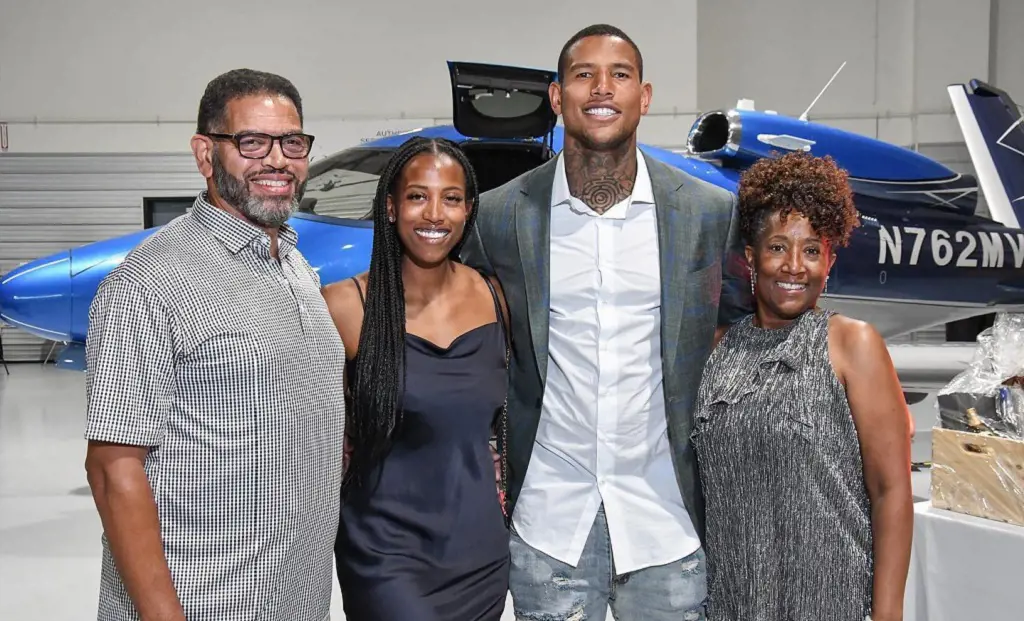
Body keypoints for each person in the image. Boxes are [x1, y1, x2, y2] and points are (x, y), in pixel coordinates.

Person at [460, 24, 752, 620]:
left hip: (668, 522)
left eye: (619, 75)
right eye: (582, 74)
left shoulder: (708, 214)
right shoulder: (499, 216)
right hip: (549, 525)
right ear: (557, 96)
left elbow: (746, 337)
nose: (601, 88)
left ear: (644, 97)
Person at [83, 69, 346, 621]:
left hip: (296, 600)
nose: (277, 160)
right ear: (206, 153)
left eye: (292, 142)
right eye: (252, 142)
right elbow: (113, 470)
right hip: (203, 602)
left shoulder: (293, 266)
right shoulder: (151, 282)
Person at [692, 152, 914, 621]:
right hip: (733, 604)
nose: (795, 266)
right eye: (778, 247)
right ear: (751, 257)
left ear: (829, 260)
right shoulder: (714, 350)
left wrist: (888, 612)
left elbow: (890, 489)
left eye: (812, 250)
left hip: (832, 603)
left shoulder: (852, 344)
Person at [324, 136, 511, 620]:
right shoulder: (344, 307)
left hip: (479, 556)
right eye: (416, 197)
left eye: (451, 198)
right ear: (390, 207)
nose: (434, 214)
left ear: (468, 210)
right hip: (386, 555)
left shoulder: (495, 298)